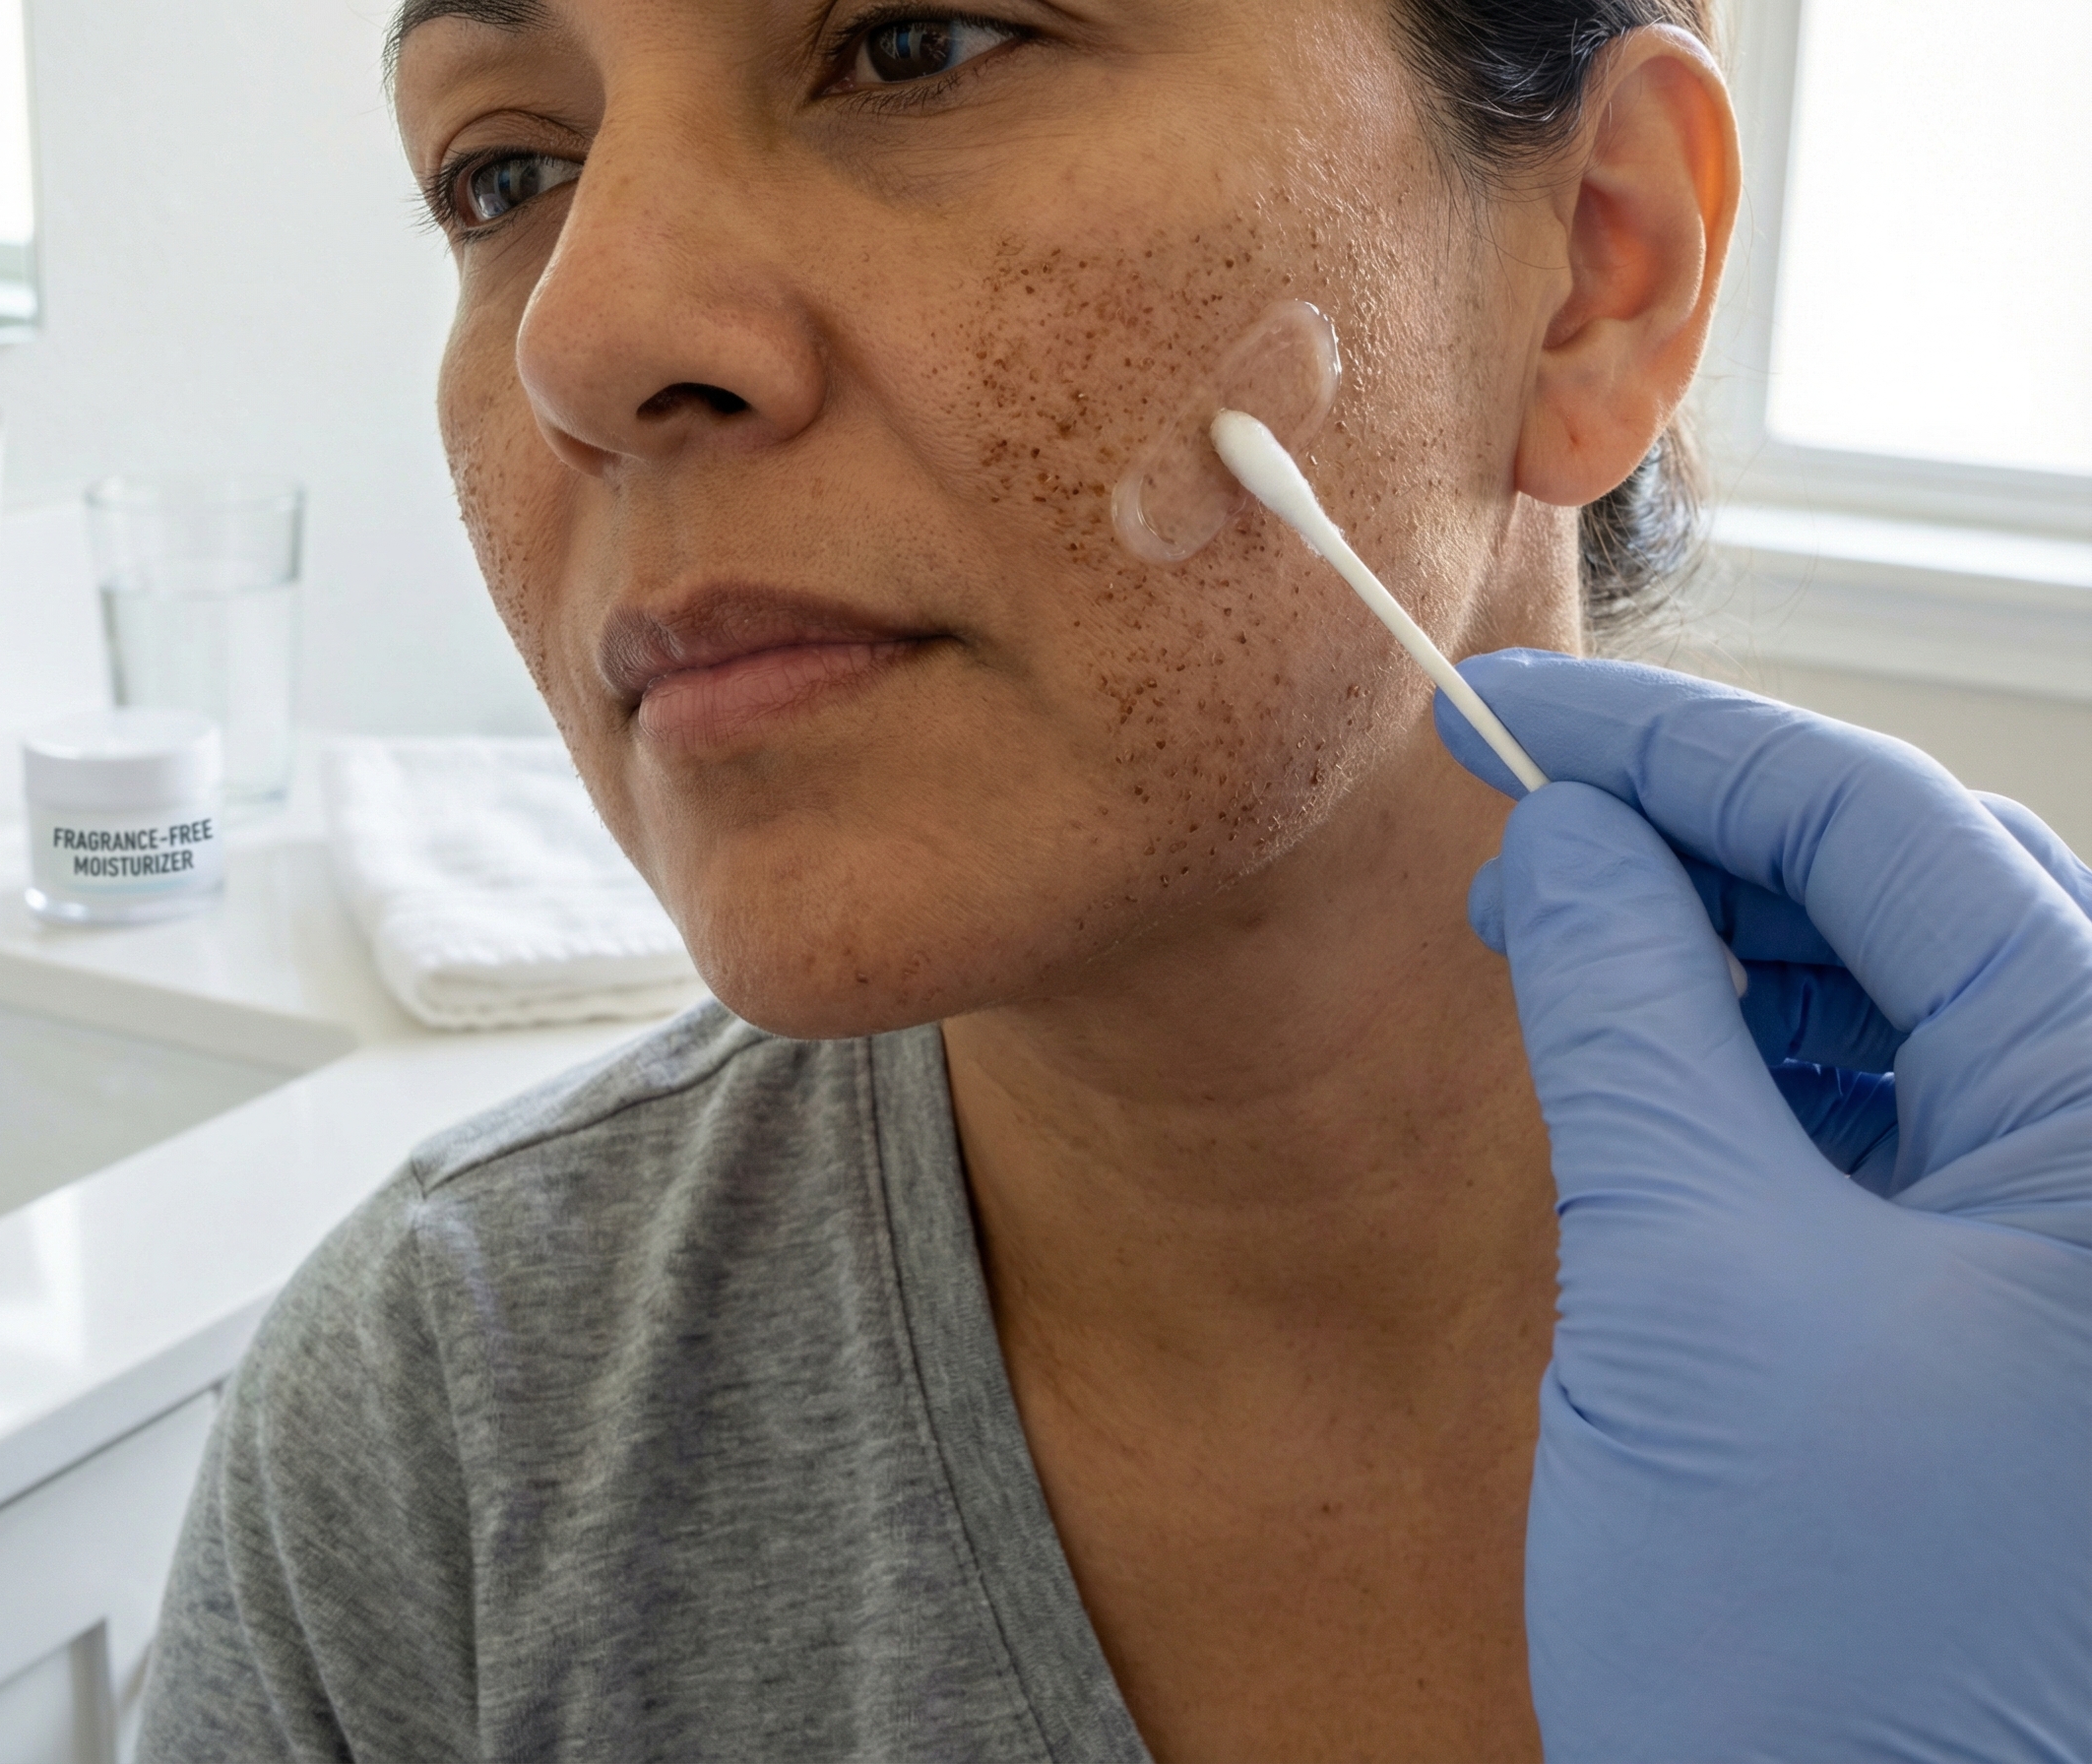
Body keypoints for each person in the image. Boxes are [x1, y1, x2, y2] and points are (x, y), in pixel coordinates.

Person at [140, 1, 2092, 1759]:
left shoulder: (2047, 1376)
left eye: (915, 45)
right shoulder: (448, 1438)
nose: (589, 333)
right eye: (508, 173)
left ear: (1596, 264)